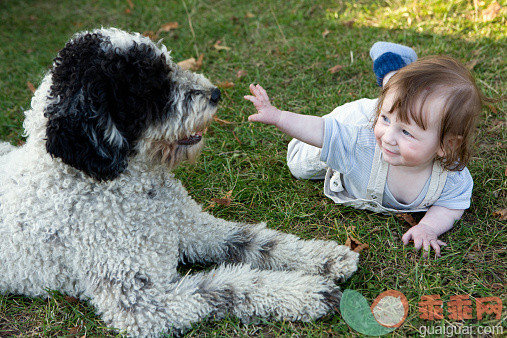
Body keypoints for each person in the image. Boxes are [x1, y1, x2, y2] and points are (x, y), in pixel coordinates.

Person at [244, 42, 488, 257]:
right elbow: (322, 131)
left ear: (446, 146)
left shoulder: (452, 178)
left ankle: (393, 74)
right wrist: (278, 116)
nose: (389, 138)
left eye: (407, 133)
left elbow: (452, 204)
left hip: (386, 113)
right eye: (386, 121)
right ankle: (390, 76)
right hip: (358, 120)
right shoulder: (359, 141)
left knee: (398, 98)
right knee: (298, 164)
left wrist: (428, 227)